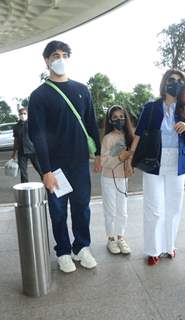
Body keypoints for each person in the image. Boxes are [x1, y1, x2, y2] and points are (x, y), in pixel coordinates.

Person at [28, 40, 101, 273]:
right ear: (46, 60)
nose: (59, 59)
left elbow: (91, 123)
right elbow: (37, 136)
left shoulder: (82, 90)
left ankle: (81, 247)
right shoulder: (39, 95)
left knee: (82, 207)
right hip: (55, 166)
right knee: (58, 211)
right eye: (54, 55)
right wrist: (46, 171)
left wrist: (97, 153)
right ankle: (63, 251)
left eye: (63, 55)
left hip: (79, 163)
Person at [127, 69, 185, 266]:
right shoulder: (151, 107)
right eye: (171, 80)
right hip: (154, 163)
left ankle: (169, 246)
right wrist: (130, 159)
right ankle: (153, 250)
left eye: (179, 81)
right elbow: (139, 135)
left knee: (173, 208)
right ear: (164, 83)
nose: (175, 83)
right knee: (154, 208)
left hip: (177, 163)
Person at [100, 105, 134, 254]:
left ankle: (120, 238)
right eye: (115, 117)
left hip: (123, 179)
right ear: (110, 120)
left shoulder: (130, 137)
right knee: (111, 211)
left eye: (121, 117)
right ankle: (111, 239)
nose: (119, 120)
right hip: (109, 178)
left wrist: (130, 164)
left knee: (123, 211)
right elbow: (103, 161)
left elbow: (132, 157)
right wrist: (120, 157)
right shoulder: (107, 138)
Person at [12, 107, 42, 182]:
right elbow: (16, 140)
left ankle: (47, 184)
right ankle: (25, 189)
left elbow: (38, 137)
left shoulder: (32, 124)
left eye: (24, 113)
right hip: (21, 152)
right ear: (19, 115)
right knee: (23, 173)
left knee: (41, 170)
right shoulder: (16, 127)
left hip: (33, 151)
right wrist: (14, 153)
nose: (23, 115)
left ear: (27, 114)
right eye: (21, 114)